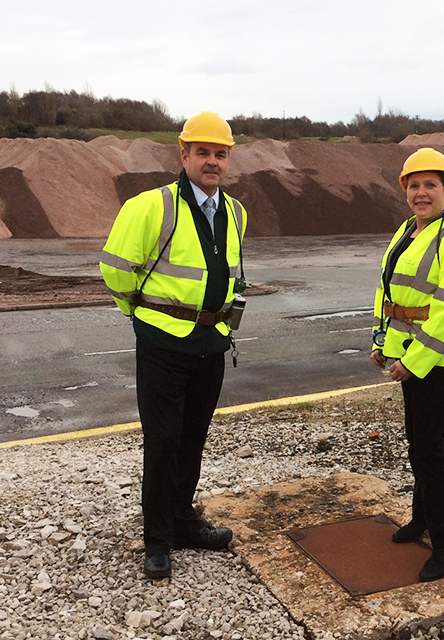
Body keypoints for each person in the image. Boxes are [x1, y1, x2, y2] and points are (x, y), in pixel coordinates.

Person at [100, 112, 246, 580]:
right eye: (202, 152)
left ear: (228, 159)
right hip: (164, 344)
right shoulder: (151, 206)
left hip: (212, 342)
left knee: (192, 439)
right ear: (182, 155)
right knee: (162, 444)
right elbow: (116, 271)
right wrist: (139, 315)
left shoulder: (235, 212)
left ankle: (183, 522)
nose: (211, 161)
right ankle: (158, 540)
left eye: (219, 154)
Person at [369, 148, 444, 582]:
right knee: (417, 440)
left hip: (440, 360)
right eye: (413, 185)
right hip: (408, 354)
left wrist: (413, 363)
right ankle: (421, 519)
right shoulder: (408, 231)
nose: (421, 193)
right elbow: (388, 291)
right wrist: (381, 340)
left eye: (430, 185)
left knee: (429, 448)